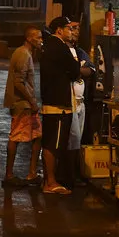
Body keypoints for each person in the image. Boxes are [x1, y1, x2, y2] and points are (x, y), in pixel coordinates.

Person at [39, 16, 81, 194]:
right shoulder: (59, 47)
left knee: (52, 142)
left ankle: (50, 180)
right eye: (68, 28)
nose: (71, 32)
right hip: (57, 104)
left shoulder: (50, 46)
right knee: (53, 144)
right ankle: (51, 182)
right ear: (59, 30)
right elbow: (75, 70)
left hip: (53, 100)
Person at [2, 26, 44, 187]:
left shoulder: (26, 54)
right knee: (16, 137)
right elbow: (18, 82)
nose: (40, 41)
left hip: (26, 104)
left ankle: (31, 173)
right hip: (22, 105)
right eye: (38, 37)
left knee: (37, 136)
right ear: (29, 38)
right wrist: (32, 101)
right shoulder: (23, 55)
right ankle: (9, 175)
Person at [58, 15, 95, 189]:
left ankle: (73, 173)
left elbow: (90, 70)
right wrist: (78, 71)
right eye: (72, 28)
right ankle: (67, 175)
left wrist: (77, 71)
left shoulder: (80, 52)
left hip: (81, 101)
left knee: (77, 138)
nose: (75, 32)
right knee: (70, 139)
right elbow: (71, 72)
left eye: (77, 29)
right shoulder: (62, 51)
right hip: (68, 101)